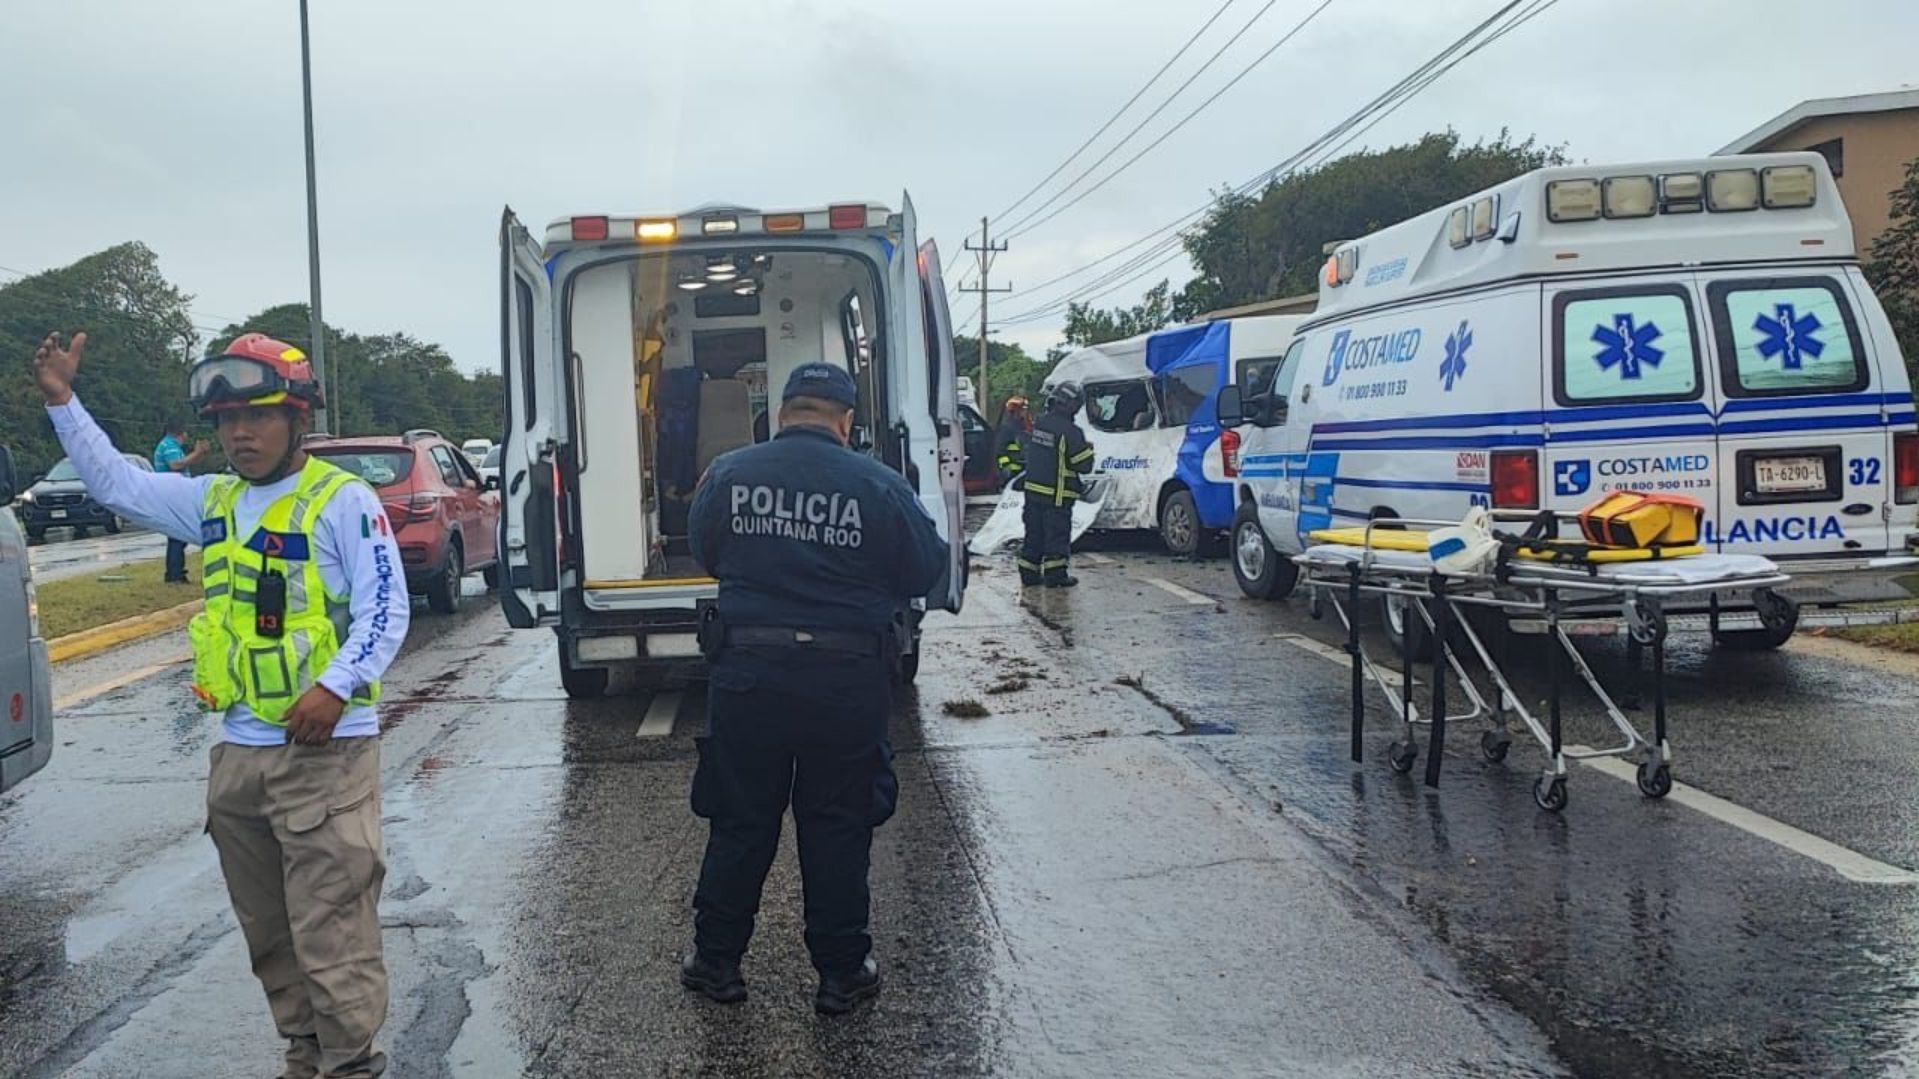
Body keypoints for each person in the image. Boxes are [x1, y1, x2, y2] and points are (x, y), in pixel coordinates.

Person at [31, 330, 410, 1079]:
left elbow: (384, 608)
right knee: (270, 930)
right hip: (240, 754)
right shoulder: (215, 501)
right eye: (227, 420)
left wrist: (334, 687)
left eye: (260, 415)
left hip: (324, 753)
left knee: (330, 927)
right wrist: (63, 402)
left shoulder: (343, 501)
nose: (240, 433)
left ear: (298, 417)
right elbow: (116, 485)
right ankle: (307, 1054)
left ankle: (352, 1063)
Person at [681, 361, 947, 1016]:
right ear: (845, 419)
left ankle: (716, 963)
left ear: (781, 410)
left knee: (741, 818)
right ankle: (840, 972)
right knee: (836, 822)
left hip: (749, 676)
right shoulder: (878, 485)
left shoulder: (730, 474)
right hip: (844, 680)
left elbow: (704, 549)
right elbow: (926, 567)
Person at [1018, 381, 1094, 588]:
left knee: (1033, 535)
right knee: (1056, 537)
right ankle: (1056, 576)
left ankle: (1028, 574)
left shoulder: (1039, 424)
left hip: (1033, 493)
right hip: (1057, 496)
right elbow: (1083, 465)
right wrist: (1088, 450)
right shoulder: (1071, 431)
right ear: (1073, 404)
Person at [152, 418, 210, 583]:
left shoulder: (170, 446)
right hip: (173, 495)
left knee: (178, 535)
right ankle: (175, 574)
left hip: (174, 494)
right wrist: (197, 453)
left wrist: (197, 455)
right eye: (185, 433)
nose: (186, 437)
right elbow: (175, 465)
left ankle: (175, 573)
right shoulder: (169, 446)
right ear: (180, 433)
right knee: (178, 536)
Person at [993, 394, 1031, 486]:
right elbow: (999, 452)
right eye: (1022, 409)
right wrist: (1007, 468)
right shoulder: (1007, 429)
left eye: (1025, 409)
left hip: (1025, 471)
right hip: (1012, 474)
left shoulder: (1024, 427)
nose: (1025, 412)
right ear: (1015, 411)